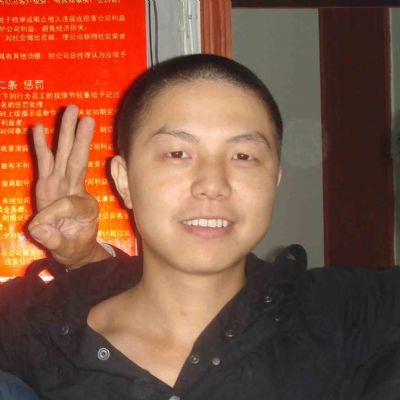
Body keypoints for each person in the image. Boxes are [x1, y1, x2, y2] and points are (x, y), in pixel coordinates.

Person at [1, 54, 400, 400]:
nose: (213, 184)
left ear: (275, 178)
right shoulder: (33, 332)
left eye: (243, 156)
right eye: (178, 153)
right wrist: (85, 267)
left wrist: (87, 264)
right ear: (124, 181)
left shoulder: (344, 318)